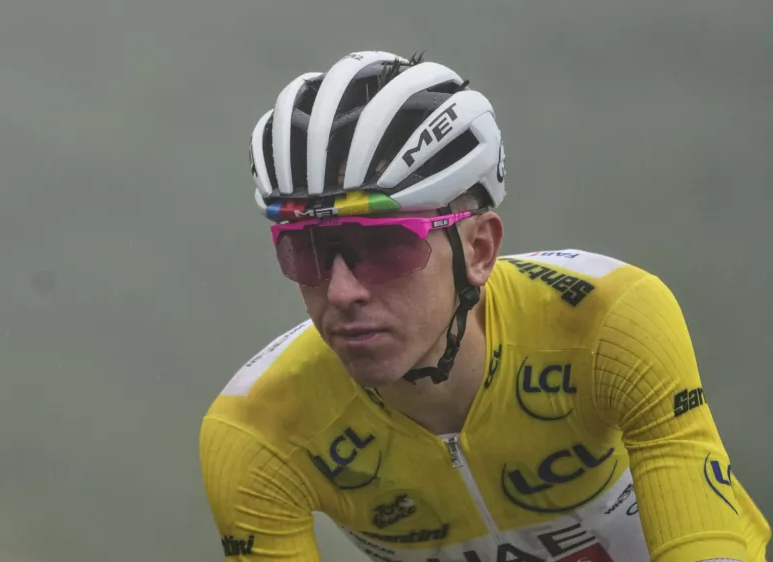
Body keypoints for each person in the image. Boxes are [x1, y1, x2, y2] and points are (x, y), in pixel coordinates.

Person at [198, 50, 770, 562]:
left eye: (386, 247)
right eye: (309, 252)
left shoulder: (610, 322)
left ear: (478, 249)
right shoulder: (258, 433)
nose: (343, 292)